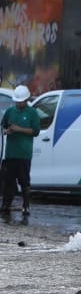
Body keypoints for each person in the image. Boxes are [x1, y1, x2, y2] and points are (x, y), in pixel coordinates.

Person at [1, 85, 39, 216]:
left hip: (24, 153)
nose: (18, 103)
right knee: (8, 180)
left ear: (26, 100)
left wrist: (18, 129)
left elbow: (35, 131)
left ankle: (26, 205)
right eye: (17, 101)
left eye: (21, 101)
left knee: (24, 180)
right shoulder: (10, 111)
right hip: (10, 153)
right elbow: (3, 127)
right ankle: (6, 205)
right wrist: (7, 131)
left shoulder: (32, 113)